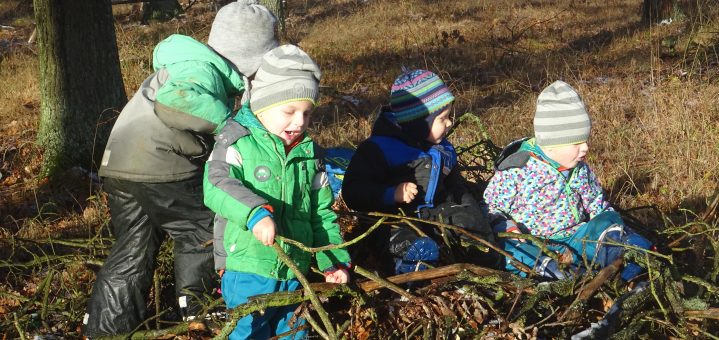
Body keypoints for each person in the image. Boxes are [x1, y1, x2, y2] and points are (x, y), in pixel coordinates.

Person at [83, 1, 279, 337]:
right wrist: (227, 125)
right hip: (160, 163)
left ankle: (105, 330)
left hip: (119, 165)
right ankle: (200, 314)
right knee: (202, 230)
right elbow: (176, 100)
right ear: (249, 57)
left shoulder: (185, 63)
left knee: (133, 248)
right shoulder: (202, 70)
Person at [203, 44, 351, 339]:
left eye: (307, 114)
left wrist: (331, 259)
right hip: (248, 266)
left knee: (294, 331)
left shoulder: (310, 155)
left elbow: (320, 214)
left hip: (295, 269)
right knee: (247, 331)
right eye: (289, 111)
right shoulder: (237, 143)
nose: (299, 122)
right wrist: (255, 213)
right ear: (262, 105)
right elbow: (216, 185)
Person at [483, 80, 652, 280]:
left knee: (610, 222)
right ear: (552, 143)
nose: (585, 148)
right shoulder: (517, 169)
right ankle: (555, 273)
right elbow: (490, 206)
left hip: (575, 240)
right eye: (576, 143)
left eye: (586, 140)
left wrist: (613, 230)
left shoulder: (580, 169)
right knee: (510, 249)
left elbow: (597, 205)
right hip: (537, 244)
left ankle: (632, 262)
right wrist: (509, 228)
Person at [341, 68, 494, 276]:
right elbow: (353, 191)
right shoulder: (380, 149)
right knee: (399, 235)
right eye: (442, 118)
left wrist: (469, 207)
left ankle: (486, 264)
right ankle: (408, 267)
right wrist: (391, 194)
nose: (450, 123)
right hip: (396, 215)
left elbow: (456, 185)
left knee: (471, 222)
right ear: (417, 122)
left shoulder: (443, 149)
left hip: (436, 211)